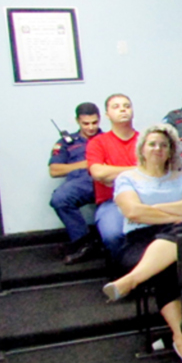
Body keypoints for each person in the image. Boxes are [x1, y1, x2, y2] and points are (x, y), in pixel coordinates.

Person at [102, 124, 182, 363]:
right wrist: (172, 213)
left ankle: (131, 281)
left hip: (180, 234)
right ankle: (181, 337)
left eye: (164, 145)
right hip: (140, 240)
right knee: (165, 268)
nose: (158, 148)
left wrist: (151, 209)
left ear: (171, 151)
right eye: (152, 144)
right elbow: (132, 212)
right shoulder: (127, 177)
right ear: (142, 149)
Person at [87, 94, 139, 259]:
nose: (123, 109)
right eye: (116, 107)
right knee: (113, 235)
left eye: (126, 105)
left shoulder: (146, 140)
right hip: (112, 203)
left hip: (145, 199)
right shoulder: (98, 142)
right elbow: (98, 173)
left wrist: (112, 173)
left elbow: (155, 172)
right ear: (107, 115)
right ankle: (124, 274)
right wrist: (137, 170)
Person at [49, 102, 101, 265]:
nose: (91, 127)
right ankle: (83, 243)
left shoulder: (107, 139)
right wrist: (85, 163)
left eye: (94, 123)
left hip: (104, 181)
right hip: (80, 182)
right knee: (59, 199)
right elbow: (54, 171)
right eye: (86, 123)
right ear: (77, 121)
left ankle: (85, 245)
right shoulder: (66, 142)